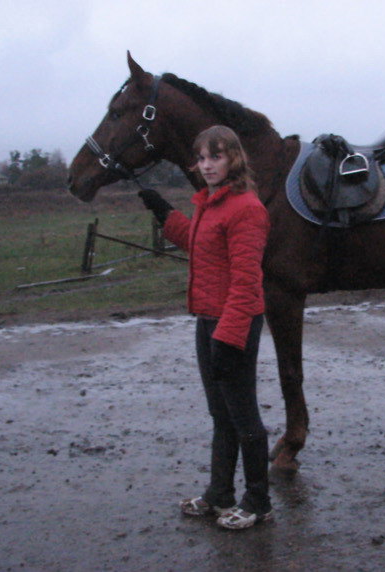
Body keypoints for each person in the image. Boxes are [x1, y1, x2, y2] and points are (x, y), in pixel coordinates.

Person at [138, 125, 272, 530]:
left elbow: (247, 283)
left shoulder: (247, 209)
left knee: (244, 417)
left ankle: (258, 502)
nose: (207, 164)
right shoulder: (210, 204)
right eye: (202, 157)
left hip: (235, 322)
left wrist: (228, 338)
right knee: (221, 415)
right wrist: (165, 212)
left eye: (216, 156)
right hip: (208, 319)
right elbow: (202, 246)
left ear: (235, 158)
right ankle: (219, 495)